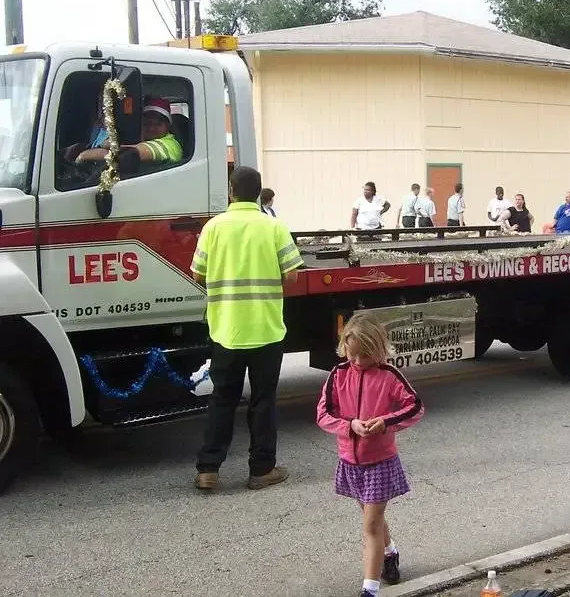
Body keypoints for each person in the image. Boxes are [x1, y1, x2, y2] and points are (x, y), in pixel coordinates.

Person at [190, 166, 304, 491]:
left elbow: (198, 274)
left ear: (231, 191)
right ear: (258, 192)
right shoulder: (273, 227)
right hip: (266, 330)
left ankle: (208, 469)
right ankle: (261, 469)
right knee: (263, 400)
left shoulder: (213, 228)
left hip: (227, 329)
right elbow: (293, 274)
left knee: (222, 398)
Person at [316, 313, 424, 597]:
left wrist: (386, 422)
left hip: (380, 462)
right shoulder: (338, 375)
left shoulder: (389, 376)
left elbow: (414, 406)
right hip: (351, 462)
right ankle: (390, 553)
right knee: (370, 517)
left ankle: (370, 590)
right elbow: (323, 414)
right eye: (353, 356)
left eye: (365, 356)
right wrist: (349, 425)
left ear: (377, 348)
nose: (359, 362)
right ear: (345, 349)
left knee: (371, 525)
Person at [74, 97, 183, 165]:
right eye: (147, 123)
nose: (151, 128)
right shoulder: (139, 138)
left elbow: (128, 154)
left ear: (168, 126)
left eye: (158, 124)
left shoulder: (170, 145)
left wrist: (84, 155)